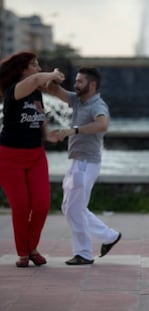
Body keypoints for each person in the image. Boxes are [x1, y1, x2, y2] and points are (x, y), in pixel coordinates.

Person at [45, 67, 122, 265]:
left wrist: (74, 131)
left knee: (75, 209)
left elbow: (103, 125)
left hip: (87, 163)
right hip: (77, 161)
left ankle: (84, 253)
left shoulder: (98, 105)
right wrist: (54, 77)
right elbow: (53, 91)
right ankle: (109, 236)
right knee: (69, 207)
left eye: (80, 81)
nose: (75, 85)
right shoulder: (78, 100)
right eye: (76, 81)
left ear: (92, 85)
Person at [0, 51, 64, 267]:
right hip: (9, 157)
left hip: (36, 155)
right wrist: (53, 73)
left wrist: (47, 136)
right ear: (23, 70)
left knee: (41, 204)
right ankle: (25, 253)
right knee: (21, 206)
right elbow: (37, 79)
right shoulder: (15, 90)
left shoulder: (36, 94)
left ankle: (32, 245)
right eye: (34, 65)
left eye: (38, 65)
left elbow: (41, 116)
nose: (38, 69)